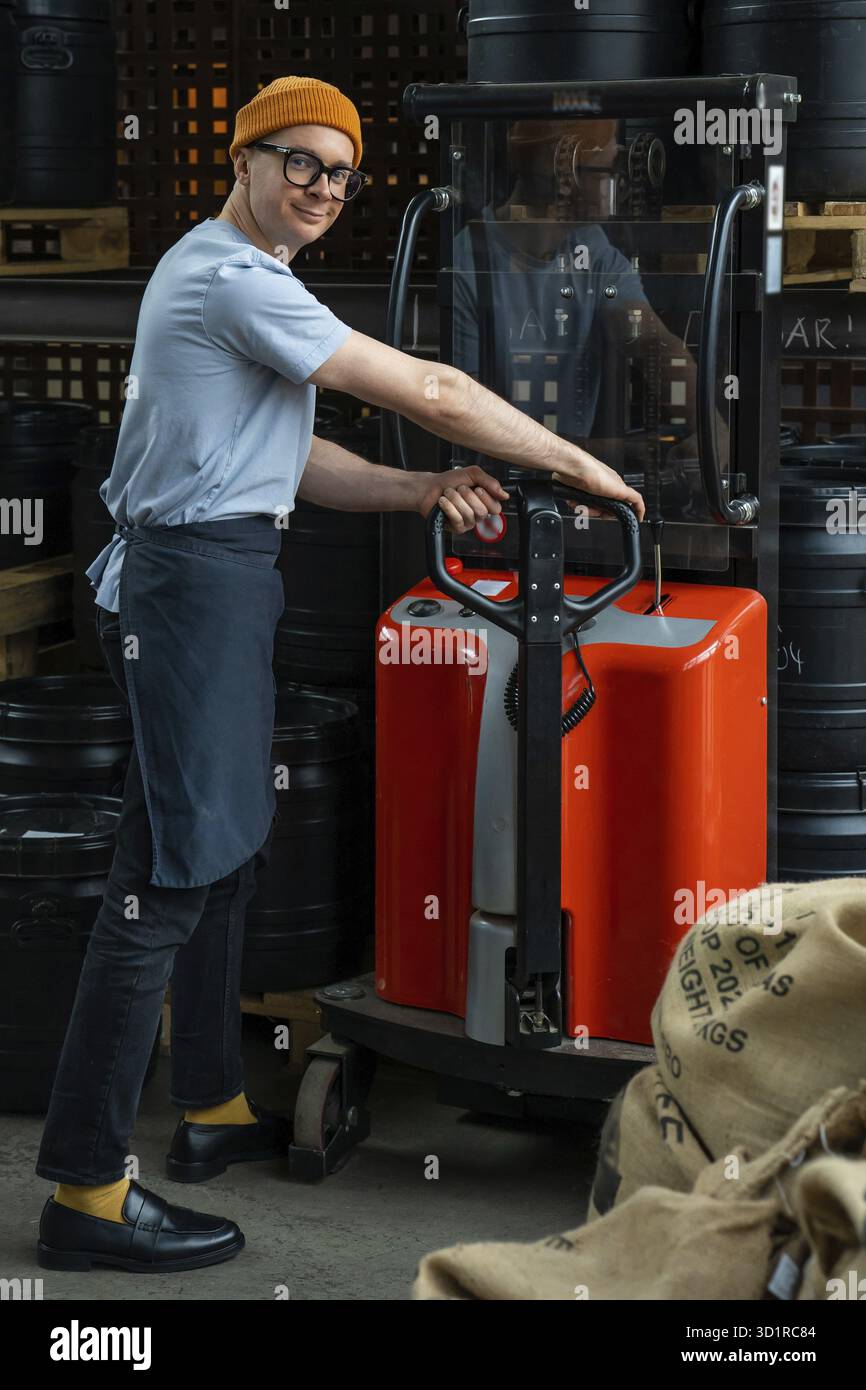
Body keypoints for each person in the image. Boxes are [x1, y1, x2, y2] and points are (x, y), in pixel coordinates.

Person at [35, 75, 644, 1275]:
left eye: (340, 172)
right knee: (164, 881)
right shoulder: (227, 273)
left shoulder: (249, 281)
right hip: (187, 590)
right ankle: (87, 1189)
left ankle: (210, 1107)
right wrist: (577, 463)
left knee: (221, 856)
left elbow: (290, 455)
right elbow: (429, 387)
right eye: (299, 161)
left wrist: (422, 487)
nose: (320, 186)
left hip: (218, 579)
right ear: (244, 161)